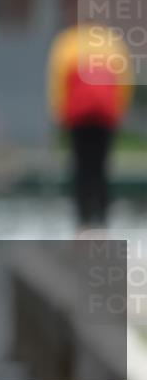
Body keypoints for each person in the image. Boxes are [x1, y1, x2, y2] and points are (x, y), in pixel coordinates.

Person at [46, 19, 134, 230]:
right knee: (102, 167)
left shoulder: (67, 43)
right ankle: (103, 222)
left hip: (78, 116)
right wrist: (119, 109)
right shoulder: (112, 43)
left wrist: (57, 112)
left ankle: (82, 223)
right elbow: (125, 79)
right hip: (105, 116)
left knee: (80, 167)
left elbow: (57, 79)